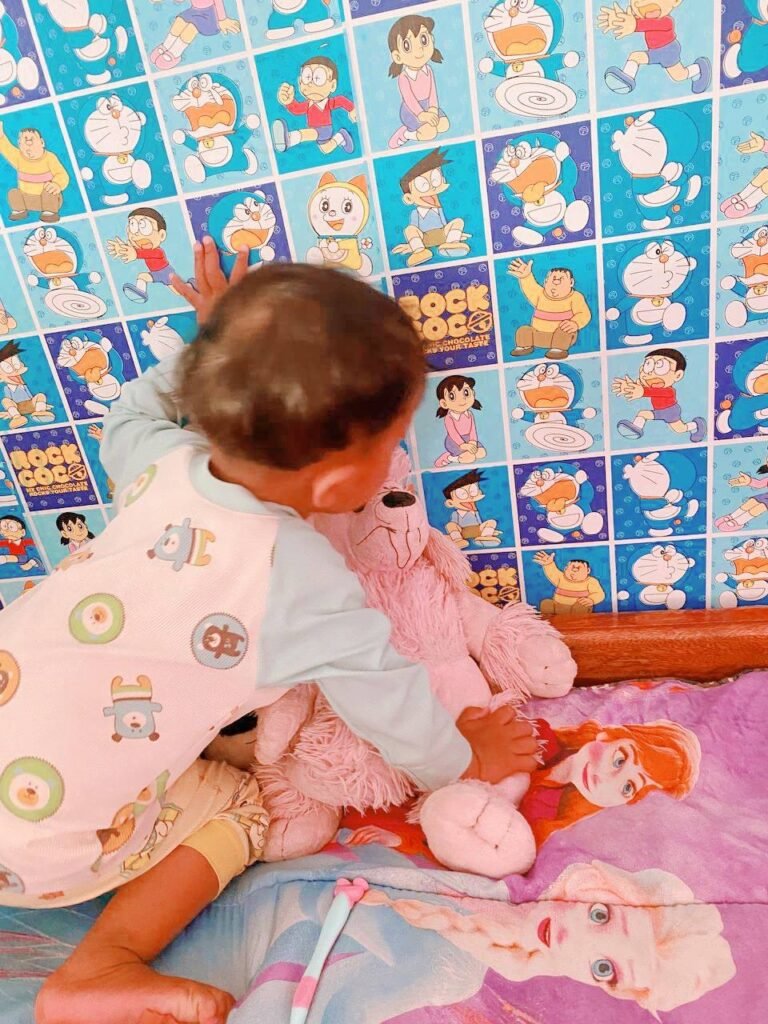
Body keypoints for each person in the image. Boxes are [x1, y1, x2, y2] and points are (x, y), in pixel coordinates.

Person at [2, 244, 540, 1024]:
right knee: (243, 805)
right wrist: (469, 758)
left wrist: (211, 339)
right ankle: (100, 965)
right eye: (393, 443)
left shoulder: (159, 463)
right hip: (37, 848)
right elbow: (391, 710)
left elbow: (127, 415)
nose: (398, 457)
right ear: (334, 487)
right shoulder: (301, 581)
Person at [519, 717, 700, 845]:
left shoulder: (545, 818)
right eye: (619, 760)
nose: (603, 779)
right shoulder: (538, 735)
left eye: (628, 787)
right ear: (609, 736)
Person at [597, 0, 711, 96]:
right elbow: (637, 21)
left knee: (679, 76)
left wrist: (634, 25)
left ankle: (699, 68)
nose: (647, 12)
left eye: (652, 8)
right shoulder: (641, 18)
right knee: (636, 57)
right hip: (654, 52)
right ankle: (626, 79)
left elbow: (649, 24)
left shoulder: (667, 21)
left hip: (668, 51)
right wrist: (618, 20)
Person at [612, 348, 706, 442]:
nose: (650, 373)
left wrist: (642, 392)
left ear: (677, 375)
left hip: (671, 411)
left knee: (679, 429)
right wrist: (628, 387)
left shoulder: (669, 391)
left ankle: (696, 425)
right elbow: (644, 388)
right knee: (644, 415)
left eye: (660, 366)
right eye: (647, 365)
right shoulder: (651, 385)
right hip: (660, 411)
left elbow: (653, 392)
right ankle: (635, 429)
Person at [508, 259, 592, 360]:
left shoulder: (575, 297)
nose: (556, 282)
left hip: (562, 336)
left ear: (571, 282)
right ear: (545, 282)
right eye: (553, 279)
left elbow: (583, 313)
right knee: (523, 330)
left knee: (564, 332)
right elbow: (531, 288)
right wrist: (526, 277)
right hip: (539, 335)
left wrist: (575, 323)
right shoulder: (540, 295)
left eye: (561, 279)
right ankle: (525, 346)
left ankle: (558, 350)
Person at [387, 15, 449, 150]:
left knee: (444, 125)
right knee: (429, 134)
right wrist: (422, 115)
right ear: (397, 56)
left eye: (423, 39)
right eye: (407, 46)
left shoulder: (428, 70)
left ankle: (418, 126)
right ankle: (407, 133)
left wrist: (433, 109)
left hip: (428, 106)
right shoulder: (404, 77)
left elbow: (433, 93)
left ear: (431, 39)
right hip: (411, 111)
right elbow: (409, 100)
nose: (419, 50)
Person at [272, 56, 356, 156]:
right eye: (307, 77)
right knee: (326, 149)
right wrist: (289, 102)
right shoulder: (308, 105)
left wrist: (352, 109)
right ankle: (341, 136)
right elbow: (297, 109)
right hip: (316, 130)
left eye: (318, 78)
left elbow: (341, 100)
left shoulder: (329, 103)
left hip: (324, 129)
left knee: (307, 134)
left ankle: (289, 139)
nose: (311, 84)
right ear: (300, 82)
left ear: (332, 85)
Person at [106, 208, 185, 304]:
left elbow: (143, 253)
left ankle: (191, 286)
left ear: (162, 235)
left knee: (178, 291)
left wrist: (135, 254)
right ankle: (141, 294)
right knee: (142, 277)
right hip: (155, 273)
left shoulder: (158, 252)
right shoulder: (142, 248)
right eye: (132, 226)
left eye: (144, 227)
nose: (137, 234)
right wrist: (122, 248)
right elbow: (137, 250)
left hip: (166, 272)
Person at [0, 122, 69, 223]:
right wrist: (1, 136)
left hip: (47, 199)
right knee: (13, 193)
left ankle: (49, 213)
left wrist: (57, 184)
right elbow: (6, 149)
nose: (28, 145)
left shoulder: (50, 158)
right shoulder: (18, 157)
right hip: (27, 199)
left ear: (42, 143)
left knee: (49, 193)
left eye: (32, 140)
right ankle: (20, 210)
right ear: (19, 145)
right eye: (24, 142)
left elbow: (62, 174)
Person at [434, 374, 486, 467]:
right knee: (469, 458)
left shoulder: (469, 414)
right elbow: (453, 433)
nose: (462, 399)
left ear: (473, 393)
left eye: (466, 392)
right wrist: (463, 445)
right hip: (454, 441)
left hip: (468, 439)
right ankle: (449, 457)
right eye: (452, 396)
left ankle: (462, 453)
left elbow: (473, 430)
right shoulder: (449, 418)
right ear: (444, 403)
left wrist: (473, 442)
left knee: (482, 453)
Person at [533, 551, 605, 615]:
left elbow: (599, 593)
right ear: (565, 569)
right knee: (546, 603)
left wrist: (591, 600)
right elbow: (553, 573)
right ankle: (548, 622)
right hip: (558, 605)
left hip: (577, 607)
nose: (574, 570)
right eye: (572, 568)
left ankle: (578, 623)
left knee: (582, 606)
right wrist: (549, 564)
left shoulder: (591, 581)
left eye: (579, 568)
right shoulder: (561, 577)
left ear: (588, 571)